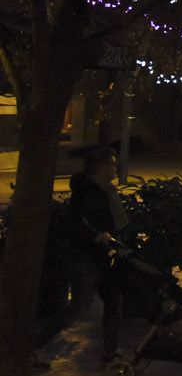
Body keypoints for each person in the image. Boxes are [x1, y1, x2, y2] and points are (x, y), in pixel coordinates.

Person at [67, 147, 129, 363]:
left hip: (107, 256)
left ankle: (110, 351)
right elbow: (77, 223)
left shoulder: (106, 191)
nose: (115, 167)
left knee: (114, 303)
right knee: (79, 308)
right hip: (90, 258)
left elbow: (114, 223)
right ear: (99, 167)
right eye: (112, 163)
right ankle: (35, 345)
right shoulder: (87, 193)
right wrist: (95, 236)